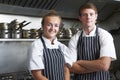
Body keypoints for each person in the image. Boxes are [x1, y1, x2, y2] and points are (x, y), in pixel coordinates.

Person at [68, 3, 117, 80]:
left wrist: (80, 62)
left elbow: (104, 65)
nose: (88, 17)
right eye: (85, 15)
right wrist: (97, 66)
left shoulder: (105, 35)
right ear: (80, 18)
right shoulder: (75, 38)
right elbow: (71, 67)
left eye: (91, 14)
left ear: (96, 16)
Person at [29, 10, 73, 80]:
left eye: (56, 25)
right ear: (42, 26)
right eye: (49, 25)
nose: (52, 28)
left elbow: (66, 70)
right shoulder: (36, 45)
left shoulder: (62, 47)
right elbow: (37, 75)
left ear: (59, 28)